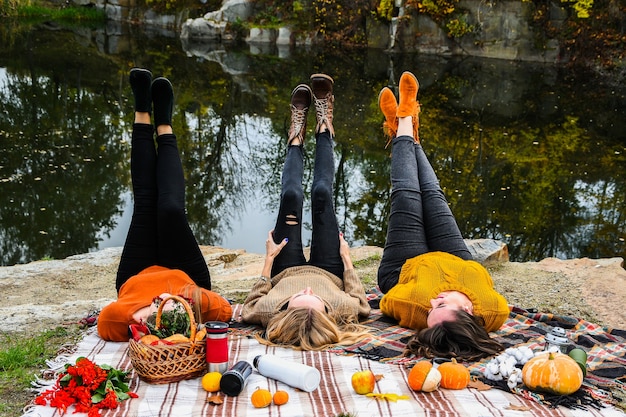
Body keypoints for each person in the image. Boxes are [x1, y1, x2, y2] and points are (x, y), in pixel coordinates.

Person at [376, 71, 509, 361]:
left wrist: (424, 306)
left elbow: (387, 302)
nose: (432, 303)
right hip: (456, 261)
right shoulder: (492, 310)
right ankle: (406, 128)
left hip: (405, 268)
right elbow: (499, 307)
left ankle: (404, 120)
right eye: (440, 306)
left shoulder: (413, 305)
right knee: (434, 194)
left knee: (407, 194)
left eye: (430, 313)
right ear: (470, 311)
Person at [97, 69, 232, 342]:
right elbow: (225, 309)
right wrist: (179, 300)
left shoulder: (131, 317)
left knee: (146, 202)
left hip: (136, 273)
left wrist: (144, 310)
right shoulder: (186, 311)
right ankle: (164, 126)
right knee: (170, 209)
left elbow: (105, 322)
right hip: (186, 273)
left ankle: (142, 112)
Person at [241, 74, 371, 351]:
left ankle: (296, 135)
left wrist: (268, 260)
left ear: (285, 311)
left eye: (301, 297)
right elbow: (363, 304)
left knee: (292, 196)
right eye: (316, 299)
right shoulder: (343, 310)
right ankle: (324, 124)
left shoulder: (266, 312)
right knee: (322, 193)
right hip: (330, 269)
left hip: (285, 268)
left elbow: (247, 308)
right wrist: (347, 259)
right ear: (325, 312)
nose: (308, 290)